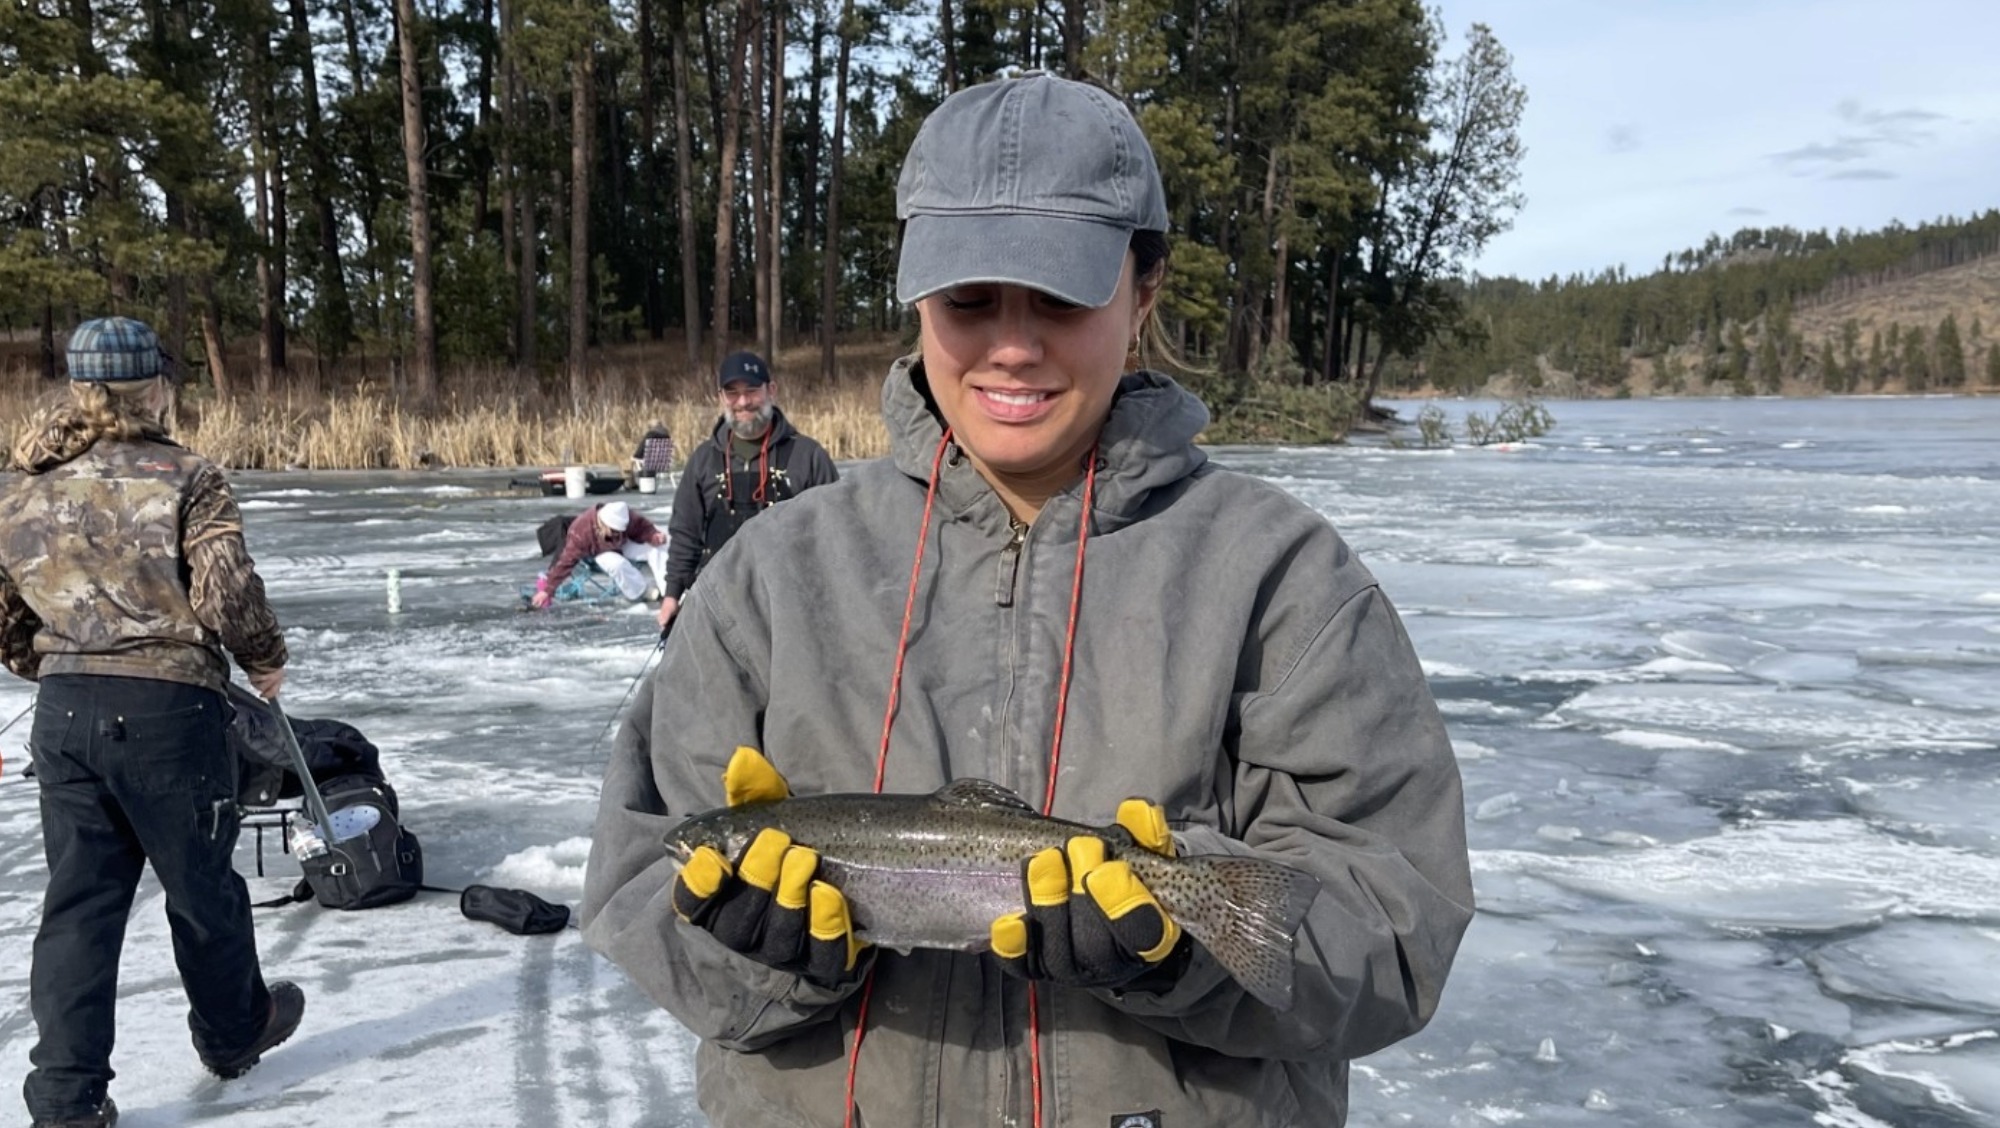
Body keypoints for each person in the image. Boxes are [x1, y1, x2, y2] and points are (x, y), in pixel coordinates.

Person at [581, 73, 1473, 1128]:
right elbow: (639, 885)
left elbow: (1393, 921)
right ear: (915, 299)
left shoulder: (1282, 578)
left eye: (1059, 295)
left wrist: (1176, 943)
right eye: (968, 300)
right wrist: (762, 960)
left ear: (1142, 292)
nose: (1011, 344)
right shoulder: (771, 576)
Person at [0, 316, 306, 1128]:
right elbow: (227, 592)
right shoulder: (186, 476)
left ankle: (65, 1097)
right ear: (155, 388)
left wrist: (53, 663)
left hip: (65, 713)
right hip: (169, 710)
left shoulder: (20, 483)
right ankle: (234, 1030)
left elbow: (5, 614)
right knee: (201, 887)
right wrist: (264, 658)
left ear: (79, 389)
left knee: (80, 906)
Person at [654, 350, 837, 629]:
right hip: (719, 603)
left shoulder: (808, 456)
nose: (742, 402)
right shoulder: (703, 460)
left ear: (771, 390)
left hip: (792, 606)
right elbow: (685, 533)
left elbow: (833, 534)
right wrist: (672, 595)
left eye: (752, 391)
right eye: (732, 393)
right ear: (721, 398)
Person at [530, 500, 668, 607]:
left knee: (658, 547)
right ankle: (640, 592)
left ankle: (668, 589)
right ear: (602, 523)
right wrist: (547, 590)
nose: (617, 532)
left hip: (622, 543)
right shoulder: (581, 532)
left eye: (620, 530)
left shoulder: (622, 513)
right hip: (599, 551)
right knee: (617, 565)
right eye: (613, 530)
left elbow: (641, 527)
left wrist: (653, 536)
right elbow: (566, 561)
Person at [629, 420, 676, 489]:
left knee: (633, 460)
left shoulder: (650, 435)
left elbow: (640, 450)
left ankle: (633, 483)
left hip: (650, 465)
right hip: (664, 464)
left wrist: (635, 456)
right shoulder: (667, 437)